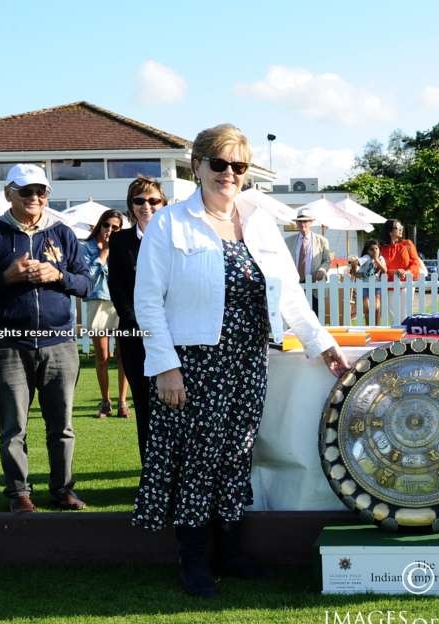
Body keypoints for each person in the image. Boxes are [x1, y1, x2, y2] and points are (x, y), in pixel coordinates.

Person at [132, 124, 350, 598]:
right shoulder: (169, 224)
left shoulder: (259, 222)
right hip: (193, 365)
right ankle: (192, 560)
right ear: (198, 166)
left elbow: (289, 295)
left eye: (239, 166)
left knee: (236, 456)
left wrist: (322, 343)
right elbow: (147, 301)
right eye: (219, 164)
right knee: (197, 462)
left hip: (248, 361)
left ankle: (229, 552)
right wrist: (166, 366)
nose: (229, 174)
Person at [0, 164, 91, 513]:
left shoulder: (62, 232)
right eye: (26, 191)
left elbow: (85, 284)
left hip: (59, 344)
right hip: (9, 344)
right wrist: (6, 277)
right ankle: (19, 493)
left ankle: (63, 489)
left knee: (62, 425)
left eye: (41, 191)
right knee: (13, 427)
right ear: (9, 194)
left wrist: (58, 274)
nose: (35, 197)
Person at [108, 176, 165, 460]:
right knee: (144, 405)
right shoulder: (120, 241)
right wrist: (143, 328)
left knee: (177, 407)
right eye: (140, 201)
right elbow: (118, 290)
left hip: (175, 335)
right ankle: (149, 473)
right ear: (131, 206)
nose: (147, 206)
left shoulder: (175, 238)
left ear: (163, 203)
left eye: (153, 200)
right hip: (135, 337)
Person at [81, 209, 128, 418]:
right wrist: (102, 255)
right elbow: (86, 278)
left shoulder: (123, 247)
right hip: (97, 302)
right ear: (100, 225)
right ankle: (105, 401)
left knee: (123, 356)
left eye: (115, 227)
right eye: (106, 225)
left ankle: (123, 402)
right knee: (102, 356)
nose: (109, 230)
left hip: (121, 304)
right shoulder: (86, 247)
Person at [284, 211, 331, 314]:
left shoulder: (322, 240)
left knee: (315, 315)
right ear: (296, 224)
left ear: (311, 222)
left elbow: (327, 260)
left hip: (314, 284)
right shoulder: (288, 241)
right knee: (297, 317)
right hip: (295, 284)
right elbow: (284, 261)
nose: (302, 224)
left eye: (305, 221)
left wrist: (322, 270)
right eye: (299, 222)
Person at [379, 218, 421, 322]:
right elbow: (381, 268)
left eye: (401, 227)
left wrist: (406, 272)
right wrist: (395, 273)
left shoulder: (407, 244)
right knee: (394, 317)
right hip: (389, 287)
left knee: (406, 315)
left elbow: (415, 263)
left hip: (406, 284)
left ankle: (407, 337)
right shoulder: (380, 248)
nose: (401, 229)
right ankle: (397, 337)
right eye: (398, 228)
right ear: (390, 231)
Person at [348, 238, 386, 324]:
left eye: (376, 248)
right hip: (364, 286)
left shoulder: (381, 258)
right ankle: (368, 327)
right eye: (371, 249)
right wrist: (354, 267)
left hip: (376, 286)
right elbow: (356, 264)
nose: (374, 251)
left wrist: (376, 260)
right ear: (367, 251)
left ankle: (376, 327)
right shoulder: (366, 257)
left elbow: (384, 270)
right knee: (367, 308)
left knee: (376, 308)